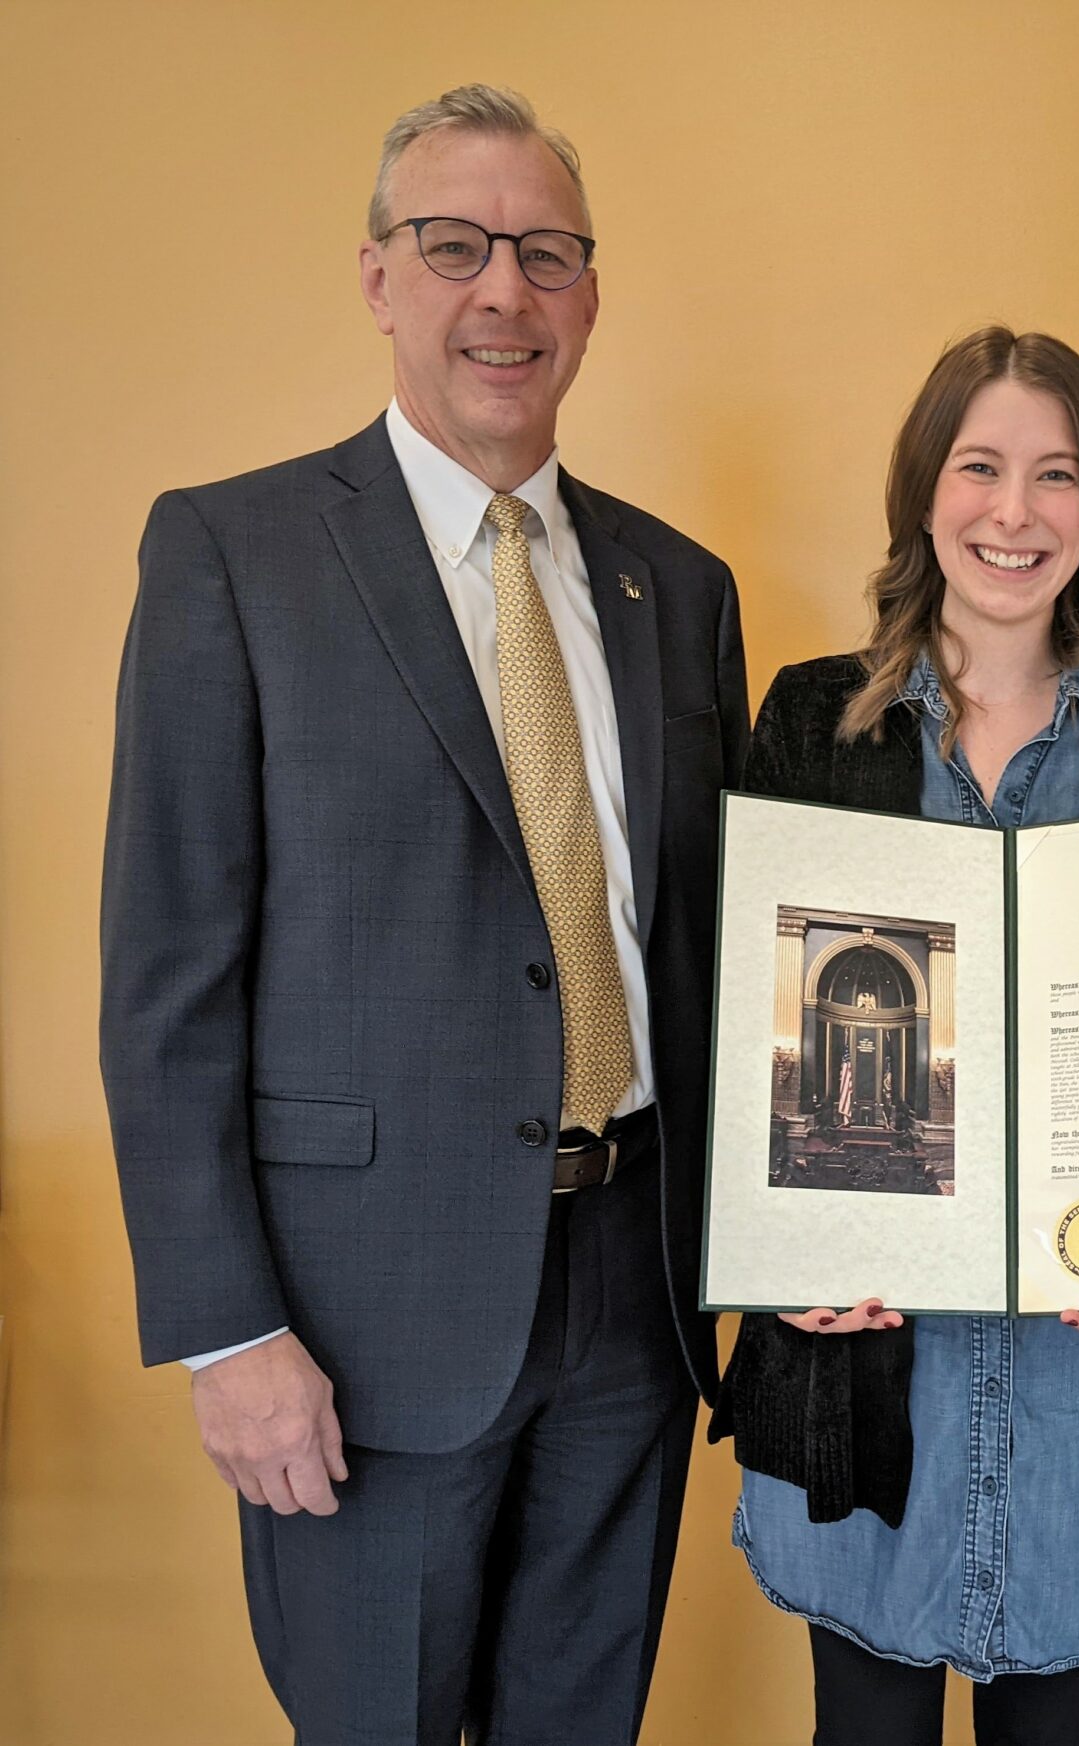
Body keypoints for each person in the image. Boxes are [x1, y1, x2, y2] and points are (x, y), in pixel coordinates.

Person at [99, 85, 747, 1743]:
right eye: (454, 246)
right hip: (357, 1326)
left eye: (545, 253)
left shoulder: (676, 588)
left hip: (633, 1287)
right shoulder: (232, 555)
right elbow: (167, 980)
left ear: (592, 295)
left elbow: (715, 946)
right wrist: (226, 1328)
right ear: (378, 277)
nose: (503, 293)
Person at [709, 327, 1079, 1746]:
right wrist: (768, 1251)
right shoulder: (817, 723)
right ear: (924, 493)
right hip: (865, 1371)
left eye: (1055, 476)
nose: (1014, 511)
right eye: (980, 466)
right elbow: (736, 1031)